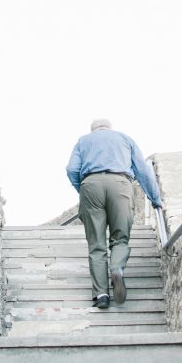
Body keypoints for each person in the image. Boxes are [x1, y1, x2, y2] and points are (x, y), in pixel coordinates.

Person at [66, 119, 164, 309]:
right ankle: (116, 267)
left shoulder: (83, 141)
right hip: (120, 183)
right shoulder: (125, 139)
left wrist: (83, 189)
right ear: (109, 128)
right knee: (120, 237)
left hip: (91, 185)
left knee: (96, 244)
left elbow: (72, 169)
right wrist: (155, 198)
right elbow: (142, 171)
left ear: (93, 130)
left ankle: (101, 295)